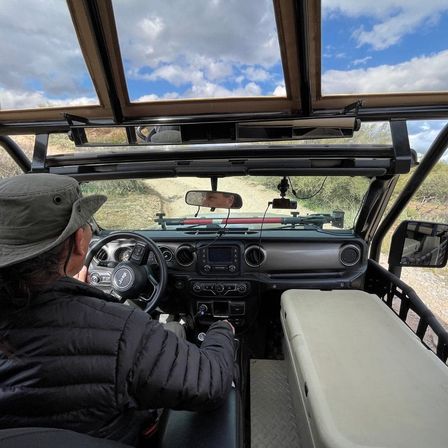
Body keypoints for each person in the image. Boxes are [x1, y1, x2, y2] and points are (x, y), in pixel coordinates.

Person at [0, 174, 235, 446]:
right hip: (132, 436)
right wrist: (222, 331)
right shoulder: (122, 330)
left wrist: (80, 294)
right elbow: (210, 383)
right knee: (176, 331)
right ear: (79, 240)